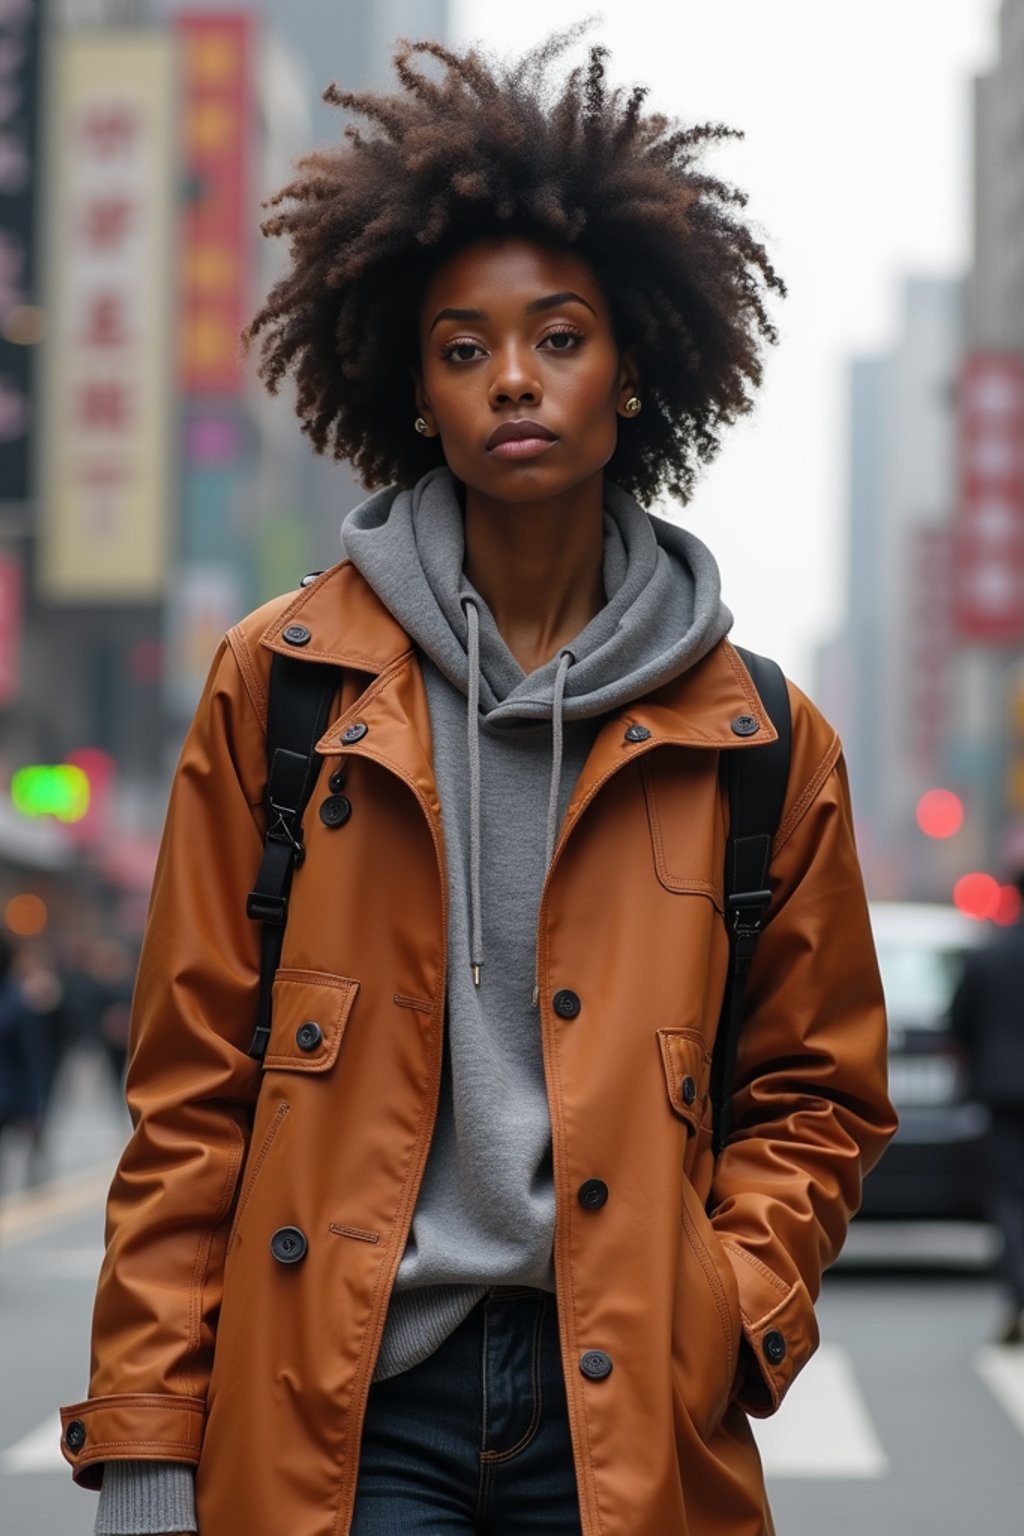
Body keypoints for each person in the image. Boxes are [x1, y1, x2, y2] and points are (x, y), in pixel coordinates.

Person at [60, 33, 896, 1536]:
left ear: (635, 364)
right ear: (416, 387)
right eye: (464, 348)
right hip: (351, 1404)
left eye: (559, 337)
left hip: (628, 1410)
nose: (513, 378)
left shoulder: (764, 736)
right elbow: (192, 1093)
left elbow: (819, 1097)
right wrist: (145, 1430)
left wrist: (725, 1300)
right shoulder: (286, 681)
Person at [951, 870, 1024, 1346]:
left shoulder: (988, 956)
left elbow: (959, 1021)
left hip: (1002, 1093)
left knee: (1010, 1198)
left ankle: (1019, 1291)